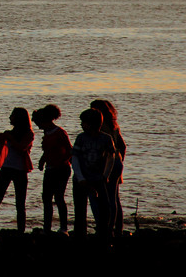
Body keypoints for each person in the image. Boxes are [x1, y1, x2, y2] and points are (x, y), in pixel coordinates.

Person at [0, 107, 35, 234]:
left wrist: (9, 137)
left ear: (18, 119)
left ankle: (21, 231)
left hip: (20, 170)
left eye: (12, 116)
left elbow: (21, 147)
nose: (10, 117)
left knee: (20, 203)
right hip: (7, 168)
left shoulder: (29, 134)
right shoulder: (9, 133)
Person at [71, 107, 116, 237]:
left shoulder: (106, 138)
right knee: (80, 210)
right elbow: (75, 158)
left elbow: (111, 157)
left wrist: (106, 175)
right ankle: (80, 234)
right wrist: (80, 178)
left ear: (91, 124)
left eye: (83, 122)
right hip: (80, 181)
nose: (81, 125)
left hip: (98, 179)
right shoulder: (80, 138)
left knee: (104, 209)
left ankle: (104, 234)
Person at [32, 105, 72, 234]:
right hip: (50, 169)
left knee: (59, 197)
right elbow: (48, 150)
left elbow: (70, 151)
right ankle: (47, 228)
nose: (38, 126)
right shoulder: (47, 132)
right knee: (46, 198)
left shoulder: (59, 132)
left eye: (38, 123)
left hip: (61, 169)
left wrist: (60, 161)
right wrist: (42, 160)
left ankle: (64, 227)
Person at [91, 99, 126, 236]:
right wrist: (119, 160)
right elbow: (122, 146)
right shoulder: (114, 125)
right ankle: (117, 229)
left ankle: (107, 228)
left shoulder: (101, 127)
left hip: (107, 164)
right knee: (114, 198)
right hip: (117, 162)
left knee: (106, 198)